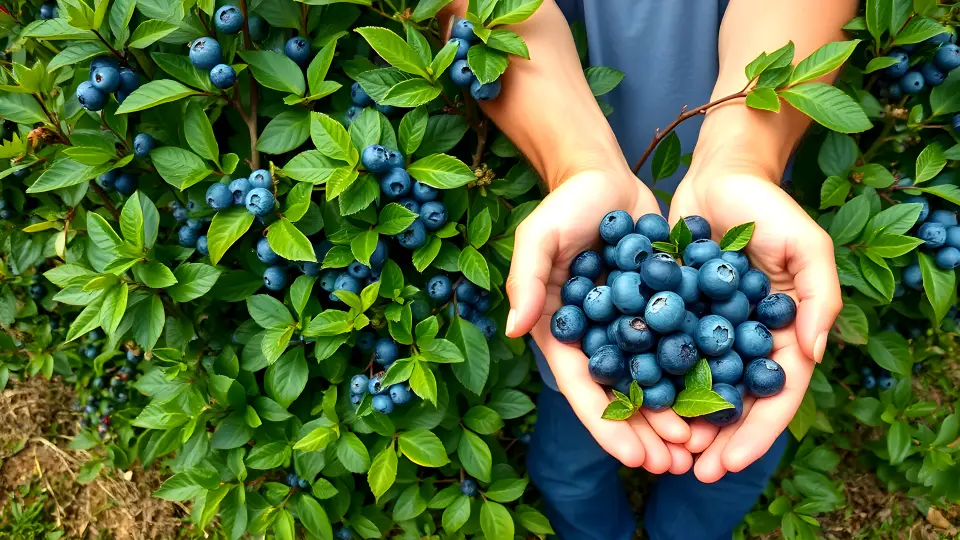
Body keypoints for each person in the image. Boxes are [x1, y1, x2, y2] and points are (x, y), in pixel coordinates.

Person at [443, 0, 851, 538]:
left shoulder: (694, 291)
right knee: (569, 468)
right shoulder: (625, 300)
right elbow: (478, 20)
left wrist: (742, 158)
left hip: (740, 171)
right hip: (595, 213)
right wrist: (575, 161)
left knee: (728, 463)